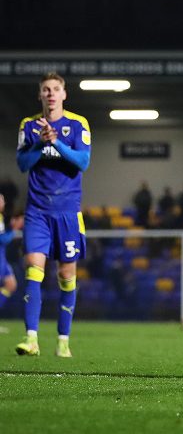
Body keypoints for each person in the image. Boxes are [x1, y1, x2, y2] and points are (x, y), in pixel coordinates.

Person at [15, 72, 91, 357]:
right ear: (40, 95)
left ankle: (63, 340)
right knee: (33, 269)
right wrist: (39, 142)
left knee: (66, 273)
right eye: (45, 89)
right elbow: (22, 164)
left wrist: (56, 142)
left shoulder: (77, 123)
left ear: (63, 94)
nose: (50, 93)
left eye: (55, 89)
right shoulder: (29, 125)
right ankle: (31, 339)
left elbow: (83, 161)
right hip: (37, 211)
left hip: (68, 212)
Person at [0, 194, 24, 314]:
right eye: (1, 200)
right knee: (10, 284)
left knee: (11, 284)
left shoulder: (1, 217)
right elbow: (2, 239)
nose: (3, 202)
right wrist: (14, 229)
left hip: (2, 256)